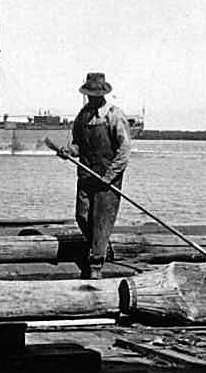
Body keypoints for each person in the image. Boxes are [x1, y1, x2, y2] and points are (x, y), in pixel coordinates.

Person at [59, 72, 131, 279]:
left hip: (108, 179)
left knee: (101, 220)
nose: (92, 98)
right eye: (89, 94)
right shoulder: (83, 116)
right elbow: (77, 144)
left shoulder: (114, 115)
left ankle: (96, 264)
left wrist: (109, 176)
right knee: (82, 216)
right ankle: (100, 248)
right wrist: (69, 151)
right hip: (86, 175)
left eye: (95, 94)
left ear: (103, 94)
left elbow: (124, 150)